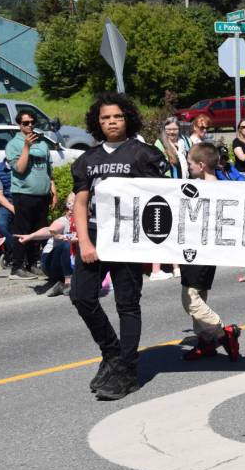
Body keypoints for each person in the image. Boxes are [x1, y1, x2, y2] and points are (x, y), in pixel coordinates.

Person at [70, 92, 170, 400]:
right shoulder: (88, 159)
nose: (111, 122)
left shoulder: (143, 154)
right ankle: (112, 353)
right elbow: (81, 204)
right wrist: (85, 241)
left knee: (127, 304)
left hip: (130, 239)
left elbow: (163, 199)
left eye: (117, 116)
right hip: (97, 237)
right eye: (105, 117)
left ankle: (127, 369)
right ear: (96, 122)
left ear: (127, 118)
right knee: (81, 296)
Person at [178, 142, 242, 362]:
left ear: (202, 165)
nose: (188, 167)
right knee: (199, 295)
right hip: (194, 249)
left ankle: (223, 332)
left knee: (191, 299)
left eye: (190, 164)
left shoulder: (212, 189)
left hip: (201, 250)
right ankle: (205, 342)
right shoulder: (201, 185)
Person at [6, 110, 57, 280]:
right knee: (22, 230)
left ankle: (32, 264)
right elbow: (19, 169)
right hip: (24, 193)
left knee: (39, 230)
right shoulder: (14, 144)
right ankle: (17, 266)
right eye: (25, 123)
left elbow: (49, 167)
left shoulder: (42, 142)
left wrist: (52, 188)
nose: (29, 125)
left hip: (42, 194)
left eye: (32, 122)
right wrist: (26, 146)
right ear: (19, 125)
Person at [15, 192, 77, 297]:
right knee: (67, 244)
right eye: (69, 206)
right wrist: (32, 236)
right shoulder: (63, 221)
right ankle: (68, 282)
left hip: (71, 262)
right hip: (50, 262)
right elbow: (50, 230)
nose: (70, 210)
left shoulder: (86, 223)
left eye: (75, 207)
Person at [151, 117, 187, 280]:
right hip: (167, 190)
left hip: (182, 189)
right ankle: (161, 268)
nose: (172, 132)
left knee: (177, 229)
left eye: (175, 129)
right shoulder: (160, 144)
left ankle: (177, 265)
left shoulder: (183, 142)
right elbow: (159, 169)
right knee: (166, 228)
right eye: (169, 130)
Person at [0, 158, 16, 267]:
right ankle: (15, 252)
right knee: (1, 224)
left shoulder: (28, 165)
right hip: (7, 201)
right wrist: (13, 208)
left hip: (23, 200)